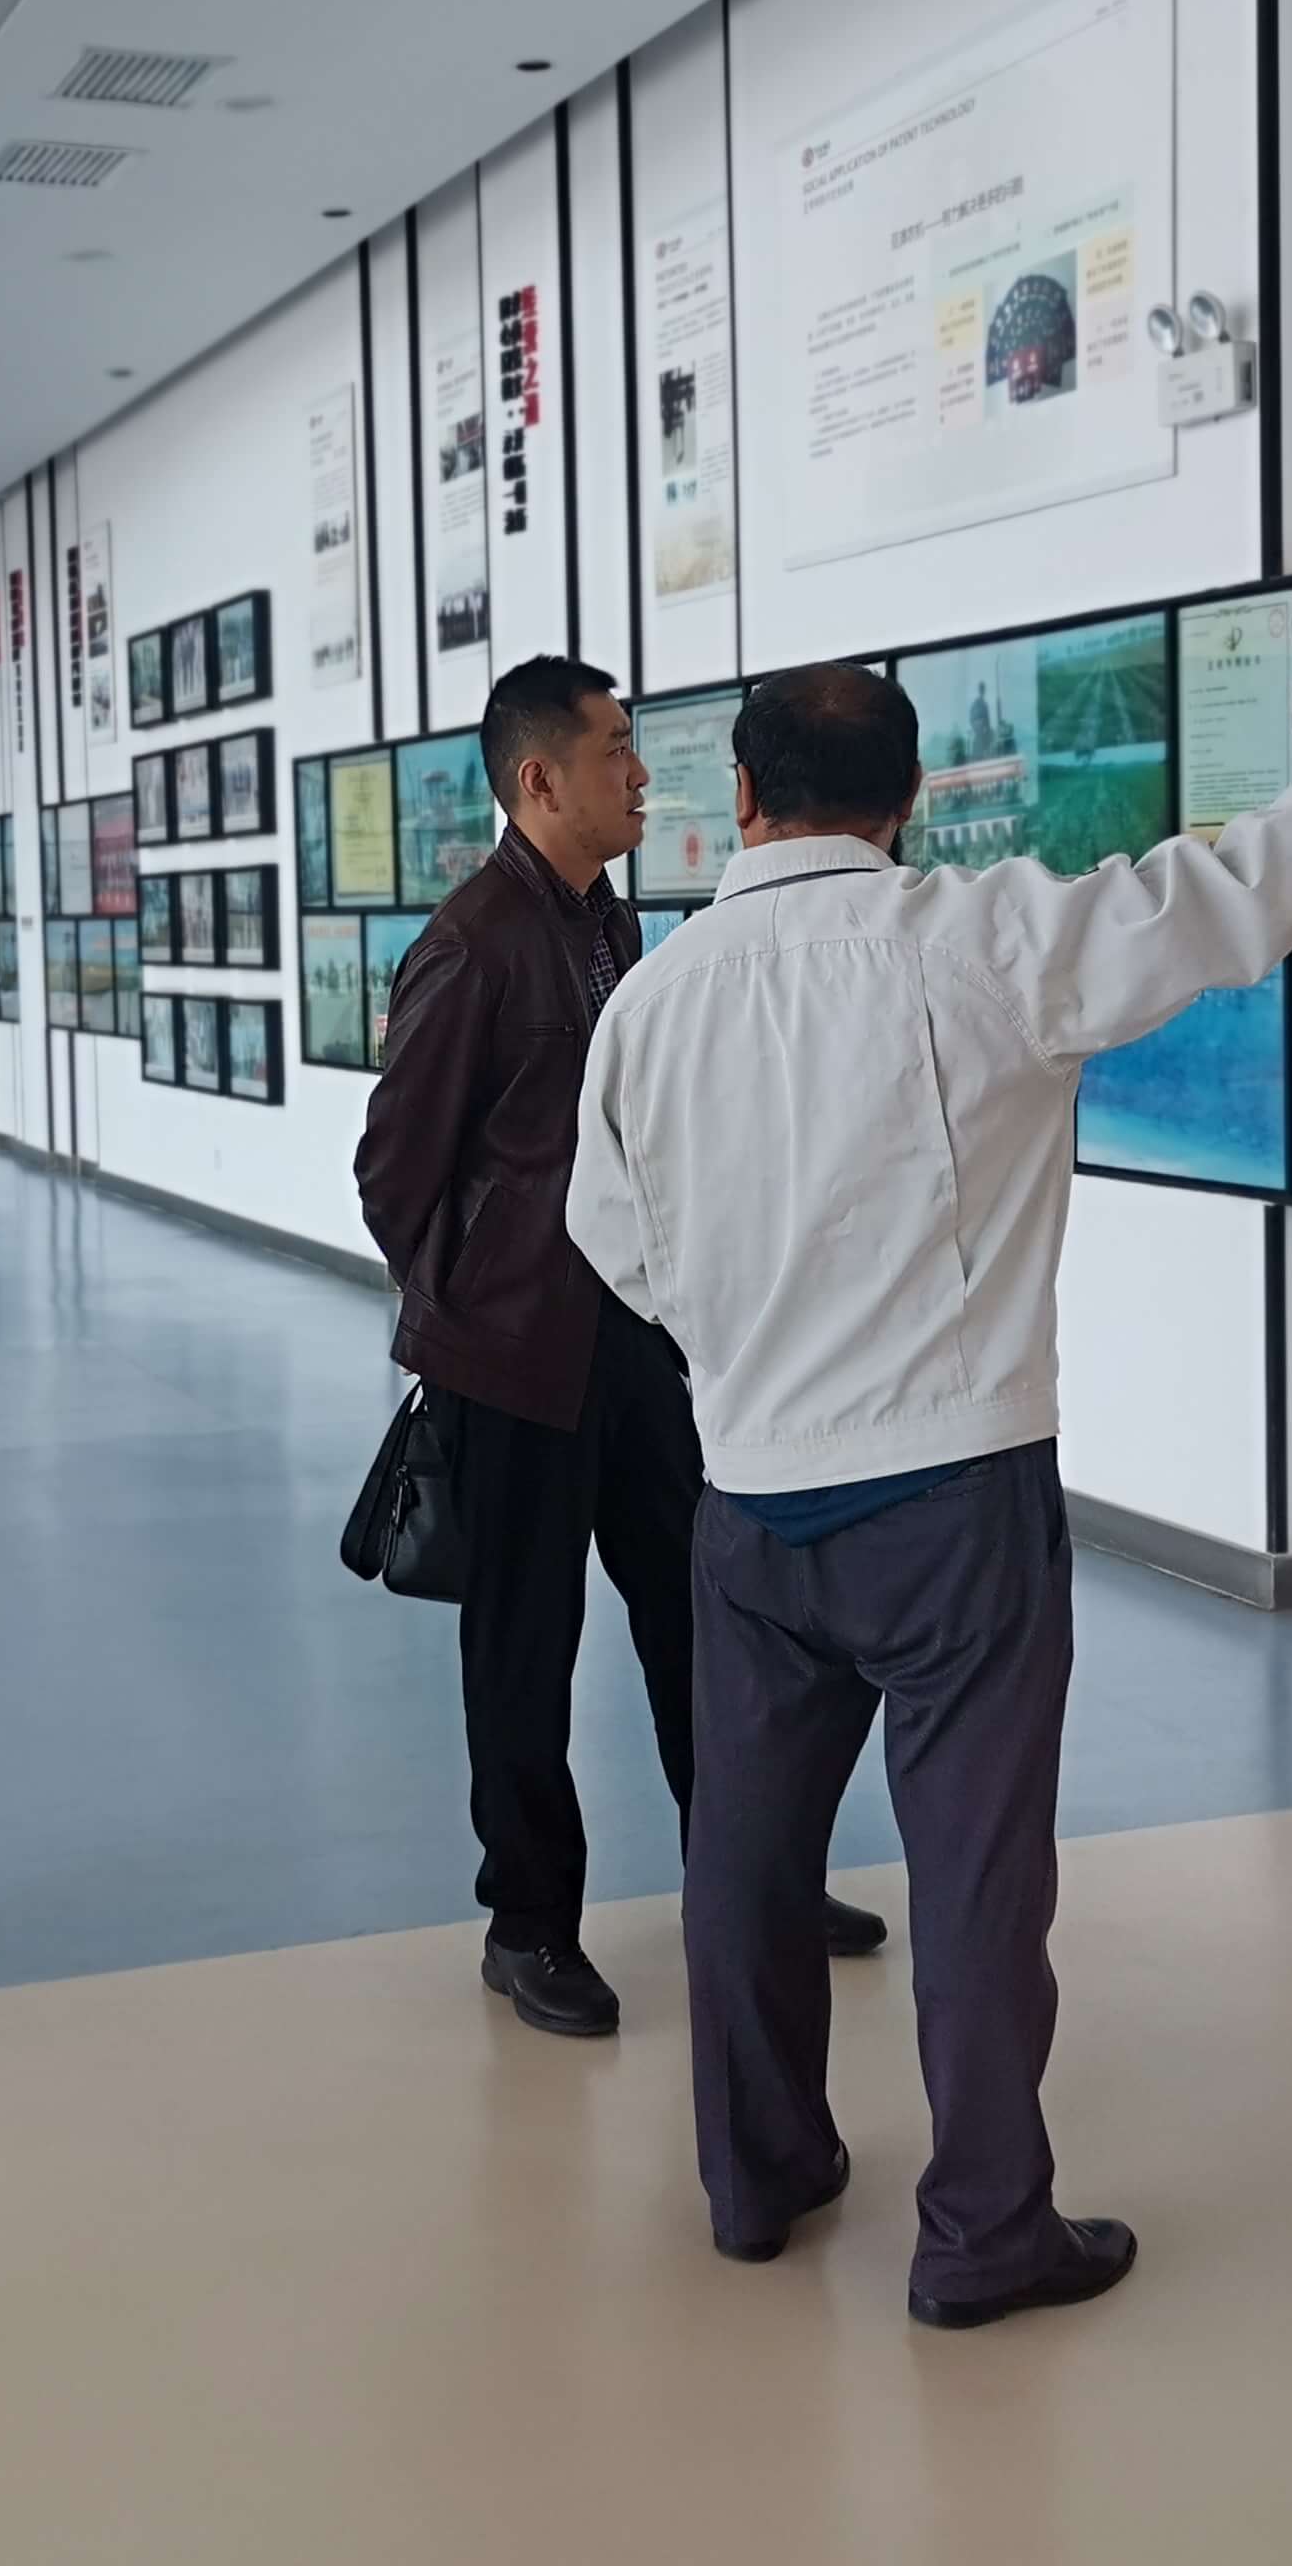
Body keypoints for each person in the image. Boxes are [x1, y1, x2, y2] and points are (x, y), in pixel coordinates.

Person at [565, 612, 1292, 2328]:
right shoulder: (987, 940)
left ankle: (758, 2176)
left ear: (741, 797)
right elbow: (1235, 894)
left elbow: (612, 1236)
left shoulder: (650, 1000)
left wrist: (744, 1354)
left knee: (744, 1859)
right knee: (973, 1881)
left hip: (750, 1502)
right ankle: (981, 2234)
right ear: (910, 799)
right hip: (955, 1500)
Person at [356, 654, 888, 2042]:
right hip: (513, 1369)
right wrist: (473, 1318)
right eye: (613, 751)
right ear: (540, 780)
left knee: (702, 1627)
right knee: (522, 1657)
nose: (642, 775)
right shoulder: (474, 944)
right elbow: (393, 1173)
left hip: (636, 1345)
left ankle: (752, 1883)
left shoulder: (609, 924)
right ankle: (528, 1926)